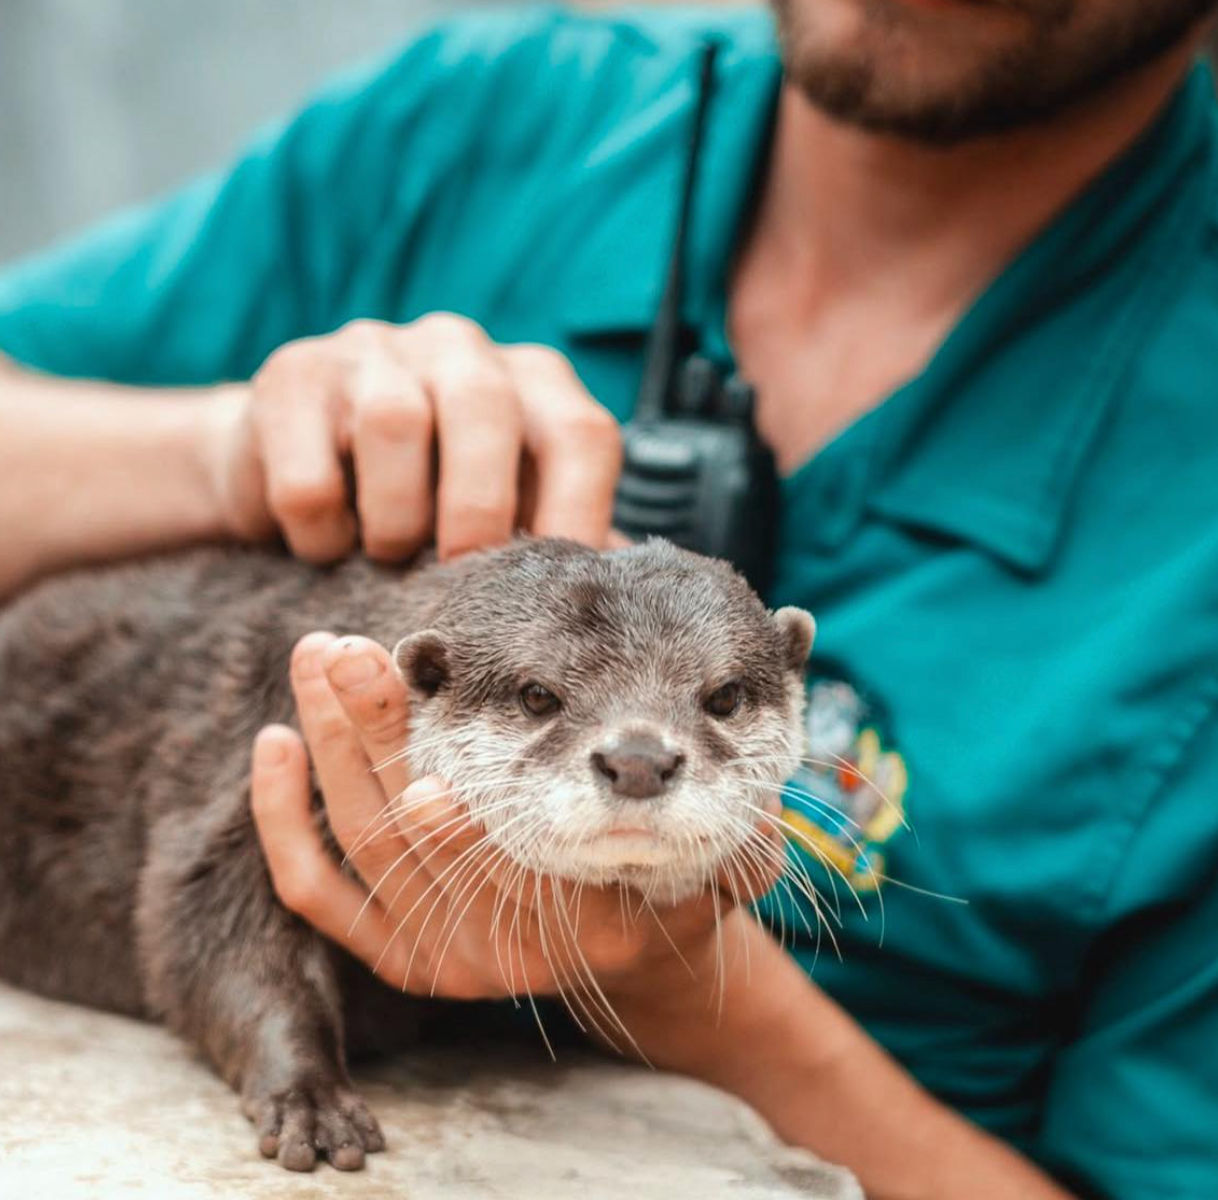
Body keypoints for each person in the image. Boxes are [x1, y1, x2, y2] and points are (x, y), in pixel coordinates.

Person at [1, 1, 1217, 1195]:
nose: (638, 757)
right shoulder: (488, 121)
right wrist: (221, 454)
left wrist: (686, 989)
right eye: (538, 698)